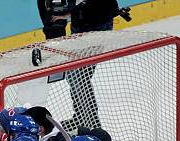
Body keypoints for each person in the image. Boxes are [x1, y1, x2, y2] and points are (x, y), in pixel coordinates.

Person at [37, 0, 131, 131]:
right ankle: (82, 117)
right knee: (75, 75)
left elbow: (108, 7)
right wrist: (57, 24)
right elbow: (48, 7)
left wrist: (70, 14)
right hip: (79, 26)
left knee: (79, 76)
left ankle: (92, 123)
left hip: (97, 28)